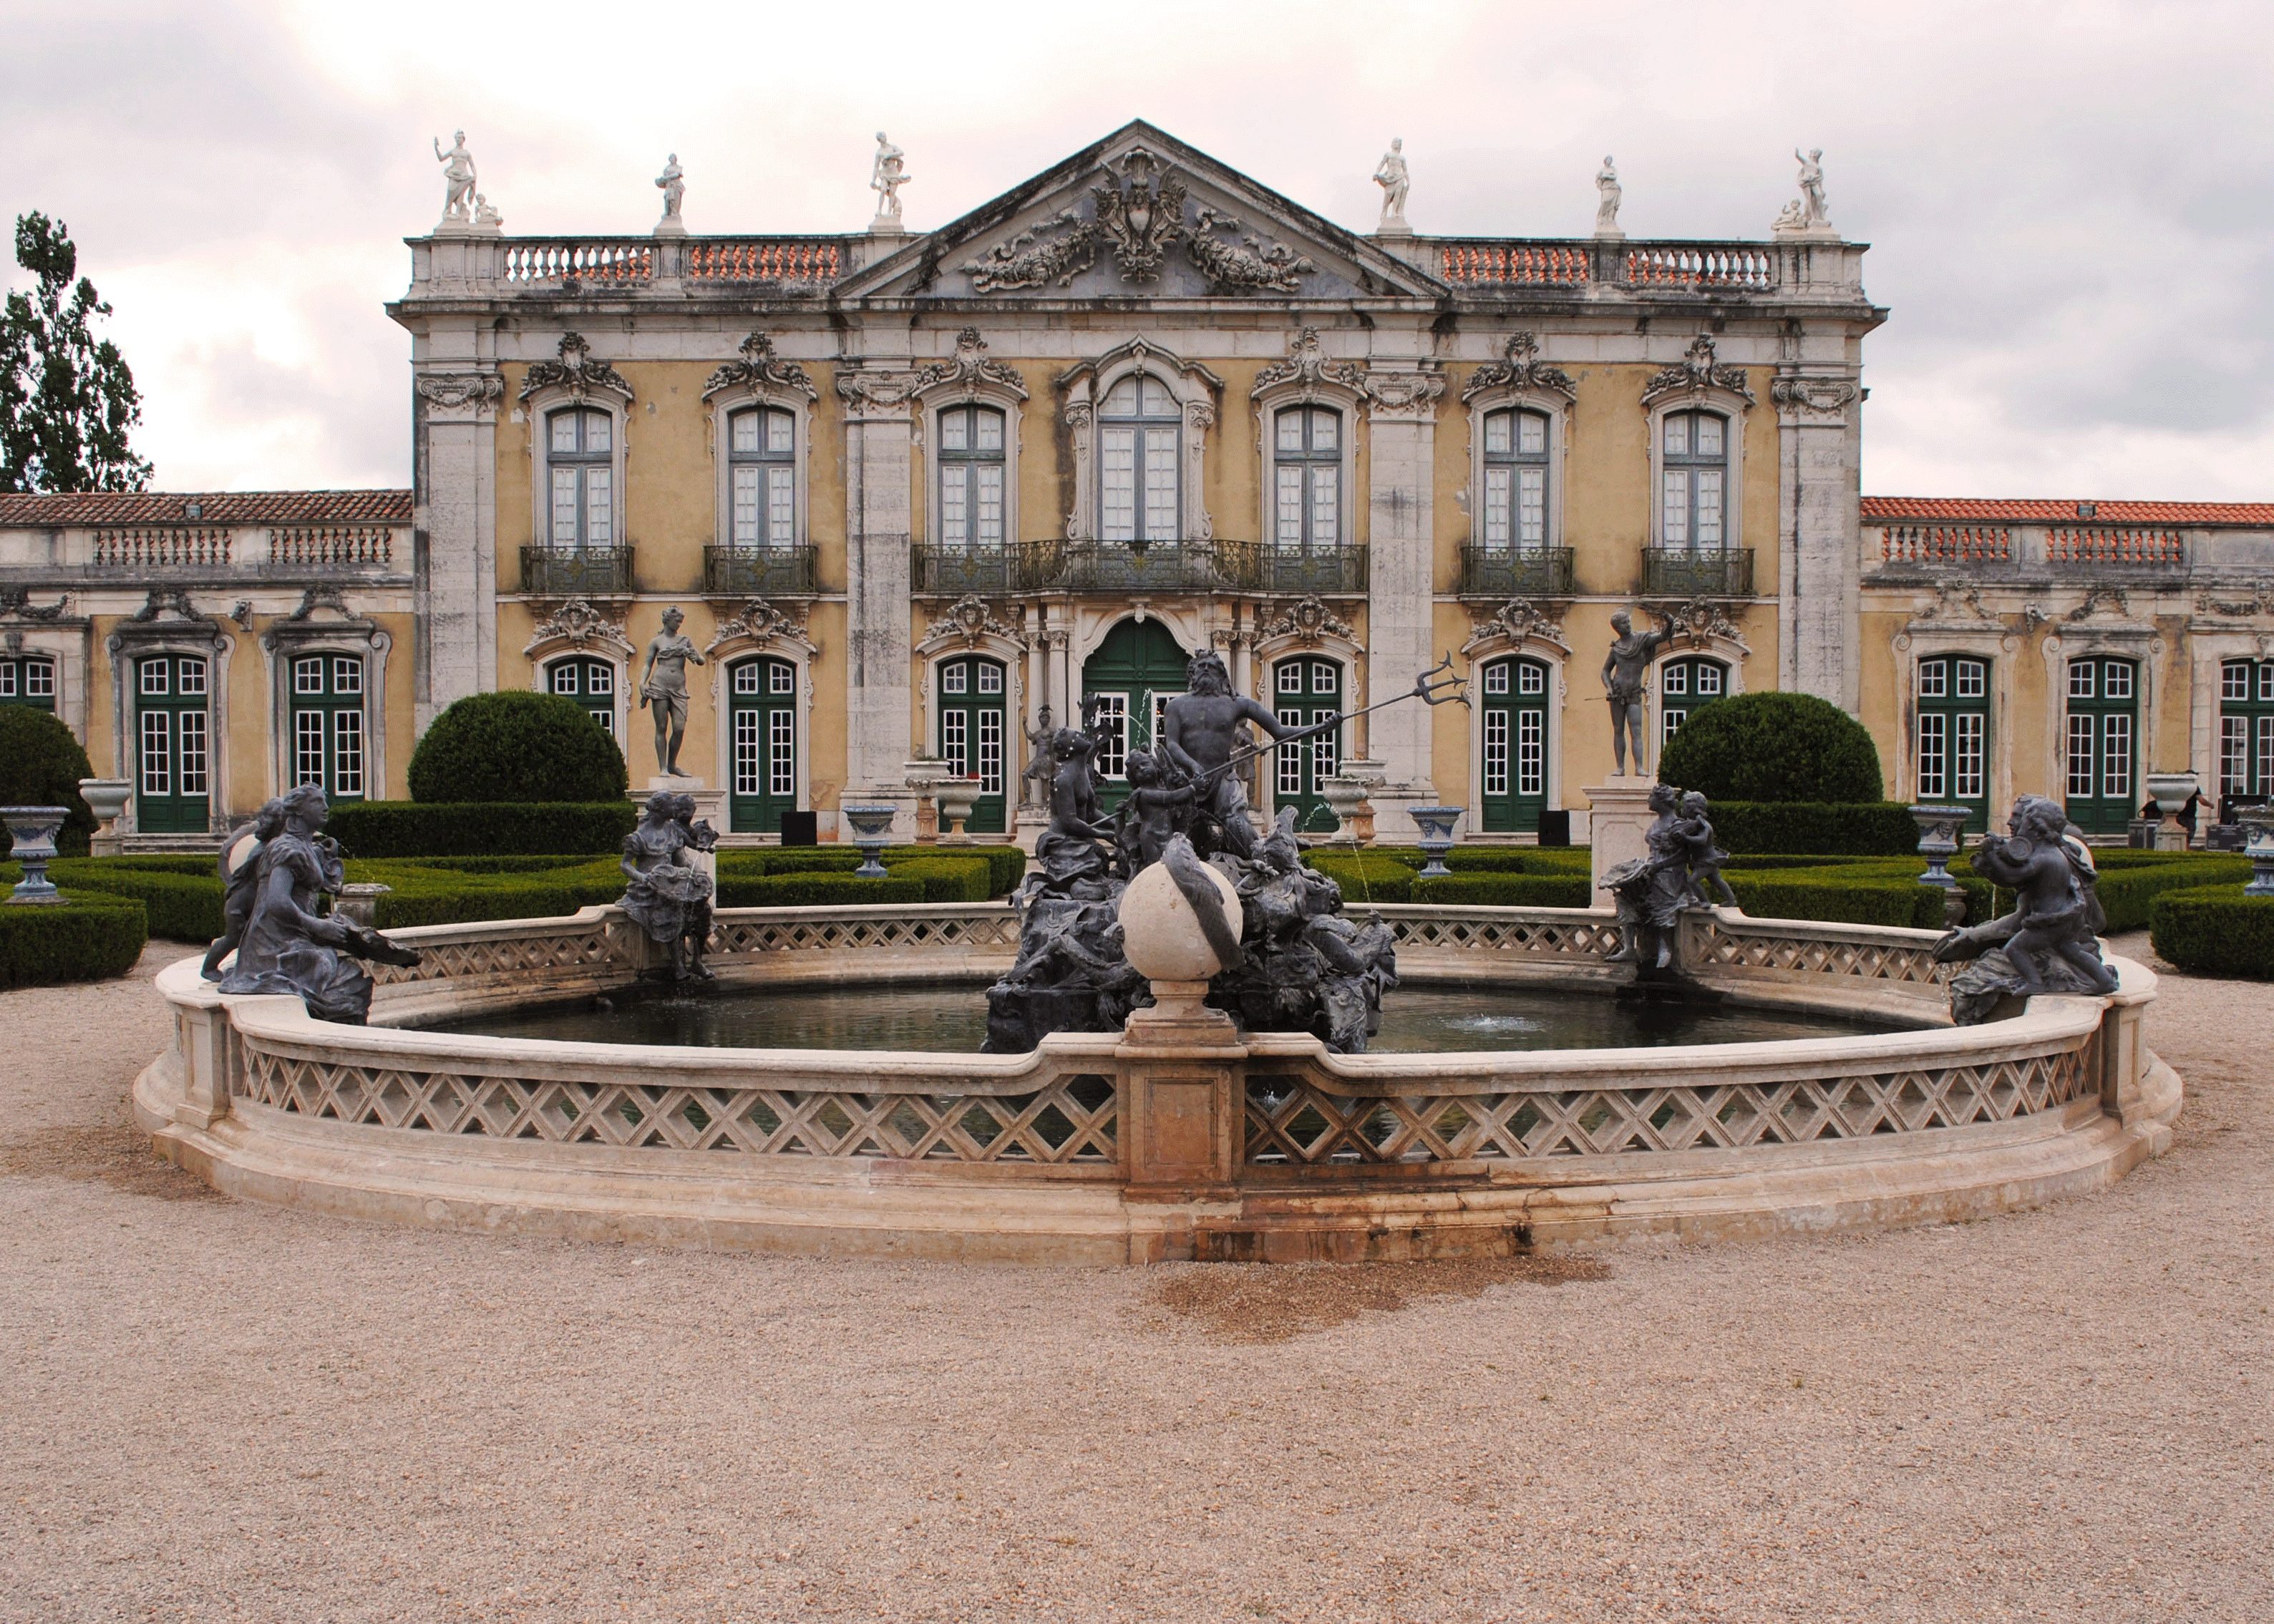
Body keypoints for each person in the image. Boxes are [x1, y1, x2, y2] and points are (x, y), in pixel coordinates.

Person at [215, 785, 418, 1023]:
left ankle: (342, 1039)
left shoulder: (302, 846)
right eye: (318, 802)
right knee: (344, 980)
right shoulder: (285, 849)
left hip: (292, 936)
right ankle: (333, 1043)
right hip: (272, 946)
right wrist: (316, 926)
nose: (326, 808)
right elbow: (276, 902)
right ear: (299, 811)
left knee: (344, 967)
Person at [1160, 652, 1291, 860]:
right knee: (1180, 841)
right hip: (1188, 781)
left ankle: (1258, 866)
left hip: (1223, 778)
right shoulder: (1176, 706)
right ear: (1192, 673)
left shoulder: (1237, 704)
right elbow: (1172, 744)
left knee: (1237, 825)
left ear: (1222, 675)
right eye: (1201, 666)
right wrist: (1193, 766)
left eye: (1211, 667)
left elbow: (1280, 731)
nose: (1205, 669)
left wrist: (1320, 728)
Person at [619, 789, 716, 981]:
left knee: (703, 910)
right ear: (661, 809)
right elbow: (625, 865)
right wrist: (642, 877)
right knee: (673, 909)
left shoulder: (673, 831)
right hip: (648, 887)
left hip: (672, 880)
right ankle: (678, 965)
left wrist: (698, 874)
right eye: (672, 805)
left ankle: (697, 961)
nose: (676, 808)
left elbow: (681, 859)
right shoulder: (639, 837)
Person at [201, 798, 287, 980]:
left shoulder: (269, 846)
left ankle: (251, 968)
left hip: (248, 903)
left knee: (253, 939)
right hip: (239, 908)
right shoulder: (264, 850)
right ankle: (208, 968)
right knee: (232, 939)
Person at [1602, 608, 1674, 776]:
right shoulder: (1616, 649)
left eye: (1628, 621)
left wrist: (1669, 620)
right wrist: (1609, 688)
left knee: (1636, 730)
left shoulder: (1642, 640)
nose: (1628, 625)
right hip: (1618, 692)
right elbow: (1605, 671)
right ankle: (1620, 767)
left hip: (1634, 692)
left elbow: (1663, 636)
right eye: (1624, 623)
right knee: (1618, 730)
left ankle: (1639, 767)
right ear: (1617, 628)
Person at [639, 606, 704, 777]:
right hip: (659, 685)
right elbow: (648, 664)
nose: (679, 624)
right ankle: (663, 768)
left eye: (681, 621)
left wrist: (693, 655)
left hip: (679, 688)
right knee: (661, 727)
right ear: (667, 620)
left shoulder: (685, 640)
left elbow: (702, 661)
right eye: (677, 621)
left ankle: (672, 764)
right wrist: (641, 683)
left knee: (679, 728)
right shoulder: (656, 642)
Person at [1117, 750, 1199, 872]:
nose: (1142, 769)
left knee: (1171, 867)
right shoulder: (1143, 794)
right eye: (1137, 769)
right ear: (1134, 778)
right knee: (1156, 869)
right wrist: (1193, 787)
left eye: (1144, 764)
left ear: (1155, 765)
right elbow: (1172, 797)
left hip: (1167, 835)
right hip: (1151, 838)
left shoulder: (1160, 788)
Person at [1676, 790, 1738, 908]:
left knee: (1692, 881)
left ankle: (1705, 901)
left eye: (1685, 807)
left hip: (1707, 861)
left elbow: (1702, 840)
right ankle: (1731, 900)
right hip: (1705, 860)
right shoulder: (1695, 824)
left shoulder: (1704, 826)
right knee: (1716, 881)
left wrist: (1685, 837)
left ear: (1693, 809)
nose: (1682, 810)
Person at [434, 131, 476, 221]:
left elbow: (472, 165)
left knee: (461, 194)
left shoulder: (467, 153)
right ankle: (447, 210)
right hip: (454, 175)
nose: (458, 139)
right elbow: (441, 158)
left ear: (464, 140)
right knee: (450, 191)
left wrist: (475, 174)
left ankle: (458, 213)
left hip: (464, 175)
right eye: (456, 138)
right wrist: (436, 147)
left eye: (460, 138)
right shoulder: (453, 151)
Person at [1373, 138, 1410, 227]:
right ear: (1391, 144)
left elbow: (1405, 171)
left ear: (1400, 145)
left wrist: (1408, 181)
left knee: (1398, 195)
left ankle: (1395, 213)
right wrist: (1376, 173)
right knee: (1388, 196)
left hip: (1399, 177)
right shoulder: (1388, 155)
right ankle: (1384, 213)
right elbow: (1381, 164)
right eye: (1394, 142)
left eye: (1397, 143)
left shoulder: (1402, 158)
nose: (1395, 144)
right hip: (1389, 178)